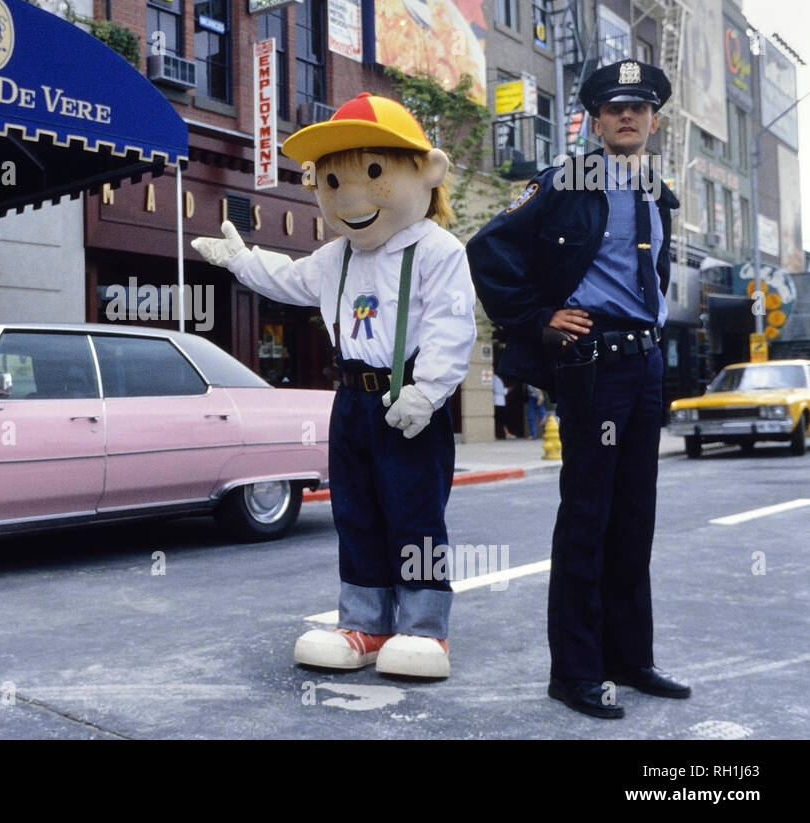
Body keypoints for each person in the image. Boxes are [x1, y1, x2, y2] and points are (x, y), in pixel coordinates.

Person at [193, 94, 476, 679]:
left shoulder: (436, 250)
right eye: (331, 180)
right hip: (350, 401)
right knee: (356, 512)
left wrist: (428, 392)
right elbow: (289, 279)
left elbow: (452, 323)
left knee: (415, 513)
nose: (348, 195)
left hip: (408, 401)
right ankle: (365, 623)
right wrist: (242, 261)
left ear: (425, 172)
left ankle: (424, 629)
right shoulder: (335, 256)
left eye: (373, 173)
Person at [466, 59, 691, 719]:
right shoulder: (569, 182)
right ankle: (575, 671)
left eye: (639, 107)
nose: (627, 116)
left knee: (634, 520)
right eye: (614, 107)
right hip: (594, 364)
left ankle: (630, 657)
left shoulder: (657, 193)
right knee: (588, 519)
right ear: (595, 120)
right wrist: (539, 318)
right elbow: (489, 249)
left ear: (653, 120)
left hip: (645, 365)